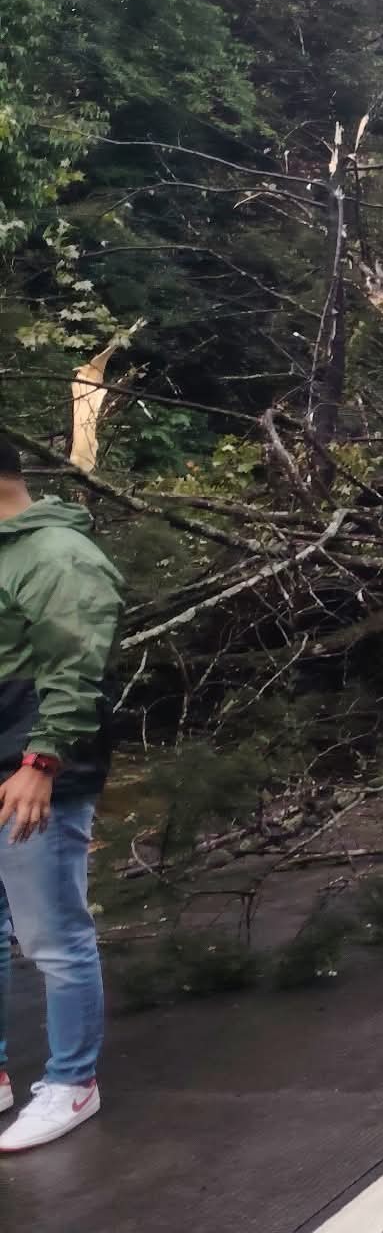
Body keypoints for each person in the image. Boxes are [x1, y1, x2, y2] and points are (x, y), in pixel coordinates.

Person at [0, 441, 123, 1151]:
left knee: (52, 934)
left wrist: (41, 762)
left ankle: (73, 1083)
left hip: (35, 770)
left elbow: (78, 669)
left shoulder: (57, 556)